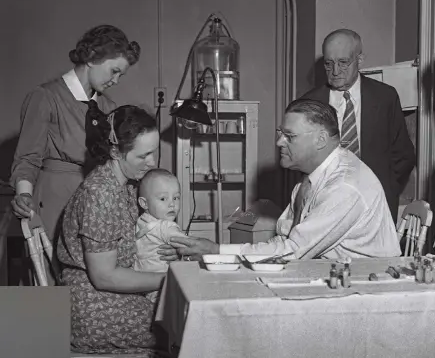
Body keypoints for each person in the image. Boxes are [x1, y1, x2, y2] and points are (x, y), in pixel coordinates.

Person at [168, 99, 401, 261]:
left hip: (366, 286)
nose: (279, 143)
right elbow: (287, 232)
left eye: (289, 136)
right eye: (281, 134)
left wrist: (217, 251)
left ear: (321, 139)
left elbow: (292, 250)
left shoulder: (344, 187)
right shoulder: (310, 177)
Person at [10, 24, 140, 283]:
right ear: (92, 57)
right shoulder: (46, 97)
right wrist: (24, 195)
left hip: (96, 205)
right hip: (55, 202)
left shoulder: (108, 106)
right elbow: (28, 158)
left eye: (120, 76)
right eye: (114, 71)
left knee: (92, 282)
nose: (115, 80)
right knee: (52, 286)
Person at [56, 105, 171, 355]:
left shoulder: (127, 184)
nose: (152, 163)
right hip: (92, 307)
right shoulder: (100, 194)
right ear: (115, 151)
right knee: (177, 324)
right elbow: (104, 277)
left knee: (178, 314)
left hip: (107, 293)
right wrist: (168, 281)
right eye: (143, 156)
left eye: (154, 152)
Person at [301, 29, 416, 223]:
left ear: (360, 60)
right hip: (325, 205)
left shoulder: (385, 97)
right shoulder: (309, 102)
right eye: (329, 64)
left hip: (374, 204)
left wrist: (385, 186)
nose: (335, 71)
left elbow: (403, 154)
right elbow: (300, 158)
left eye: (343, 62)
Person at [134, 168, 185, 303]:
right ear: (144, 203)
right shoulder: (166, 226)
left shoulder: (141, 221)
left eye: (176, 198)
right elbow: (191, 245)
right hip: (163, 286)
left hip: (142, 283)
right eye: (163, 198)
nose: (172, 204)